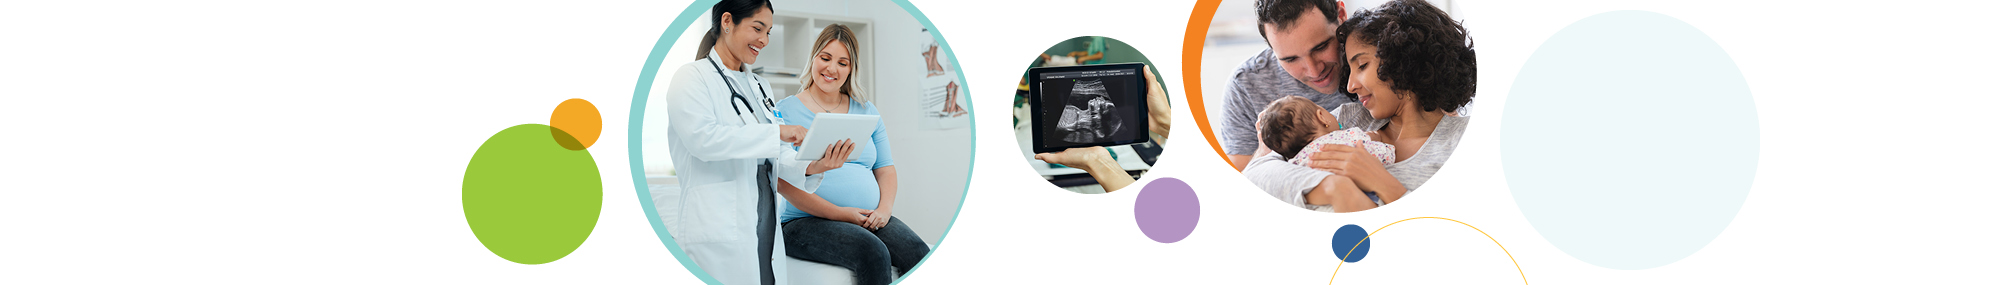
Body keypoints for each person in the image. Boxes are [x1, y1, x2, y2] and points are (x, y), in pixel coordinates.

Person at [662, 1, 856, 284]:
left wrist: (813, 165)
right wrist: (777, 133)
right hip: (718, 232)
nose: (764, 40)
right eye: (758, 28)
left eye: (769, 32)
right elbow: (702, 140)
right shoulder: (691, 77)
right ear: (727, 21)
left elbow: (776, 153)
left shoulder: (760, 87)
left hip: (764, 229)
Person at [1242, 0, 1476, 212]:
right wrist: (1334, 187)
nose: (1351, 86)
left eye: (1362, 65)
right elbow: (1254, 176)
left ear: (1404, 60)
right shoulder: (1349, 118)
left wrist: (1386, 186)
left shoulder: (1461, 141)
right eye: (1350, 69)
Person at [771, 24, 929, 285]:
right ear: (813, 58)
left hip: (868, 216)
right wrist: (840, 213)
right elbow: (781, 181)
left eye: (842, 62)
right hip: (803, 222)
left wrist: (884, 210)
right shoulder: (784, 112)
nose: (832, 69)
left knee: (918, 252)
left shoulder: (866, 110)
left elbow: (886, 168)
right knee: (873, 253)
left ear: (851, 68)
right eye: (825, 58)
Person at [1221, 0, 1353, 170]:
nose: (1314, 71)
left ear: (1341, 15)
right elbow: (1241, 183)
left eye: (1321, 47)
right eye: (1290, 59)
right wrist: (1264, 152)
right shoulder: (1245, 86)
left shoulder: (1379, 54)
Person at [1033, 65, 1172, 192]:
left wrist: (1164, 121)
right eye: (1103, 112)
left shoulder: (1073, 117)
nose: (1104, 103)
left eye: (1102, 113)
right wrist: (1164, 121)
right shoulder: (1075, 118)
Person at [1256, 95, 1399, 211]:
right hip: (1361, 199)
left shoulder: (1293, 163)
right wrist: (1377, 138)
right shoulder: (1347, 137)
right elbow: (1385, 156)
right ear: (1322, 117)